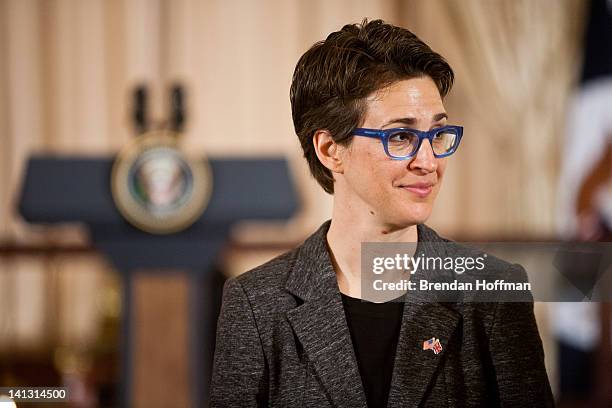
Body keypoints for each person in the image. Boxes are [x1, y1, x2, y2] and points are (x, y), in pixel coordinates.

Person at [210, 19, 554, 407]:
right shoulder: (256, 303)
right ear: (329, 150)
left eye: (436, 134)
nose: (428, 161)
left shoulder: (494, 292)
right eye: (401, 136)